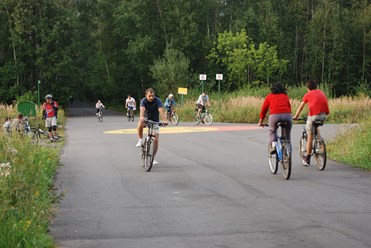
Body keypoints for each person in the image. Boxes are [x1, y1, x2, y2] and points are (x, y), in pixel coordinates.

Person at [293, 80, 330, 165]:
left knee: (310, 136)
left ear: (308, 88)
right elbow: (325, 104)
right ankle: (320, 142)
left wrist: (296, 116)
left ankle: (308, 157)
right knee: (316, 127)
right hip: (323, 116)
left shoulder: (308, 94)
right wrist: (325, 114)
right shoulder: (321, 93)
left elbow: (301, 107)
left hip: (313, 116)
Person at [136, 88, 168, 165]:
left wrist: (164, 120)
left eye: (152, 96)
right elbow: (142, 110)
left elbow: (161, 110)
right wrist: (141, 117)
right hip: (146, 119)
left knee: (156, 139)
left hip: (155, 120)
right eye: (149, 96)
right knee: (140, 123)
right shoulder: (143, 101)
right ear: (146, 95)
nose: (151, 97)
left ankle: (153, 157)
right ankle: (140, 140)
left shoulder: (157, 100)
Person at [258, 82, 292, 154]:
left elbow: (264, 109)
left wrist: (261, 121)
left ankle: (273, 145)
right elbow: (289, 107)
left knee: (272, 130)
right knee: (287, 136)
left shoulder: (269, 96)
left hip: (274, 116)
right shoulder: (285, 96)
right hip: (287, 115)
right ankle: (288, 148)